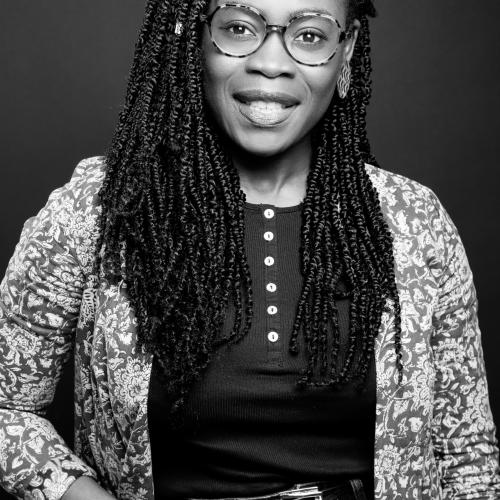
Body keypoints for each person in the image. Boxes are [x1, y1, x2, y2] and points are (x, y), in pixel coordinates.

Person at [0, 0, 499, 499]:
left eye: (310, 35)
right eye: (239, 27)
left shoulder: (415, 221)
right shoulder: (103, 210)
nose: (271, 62)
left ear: (345, 51)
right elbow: (7, 410)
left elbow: (466, 454)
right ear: (195, 39)